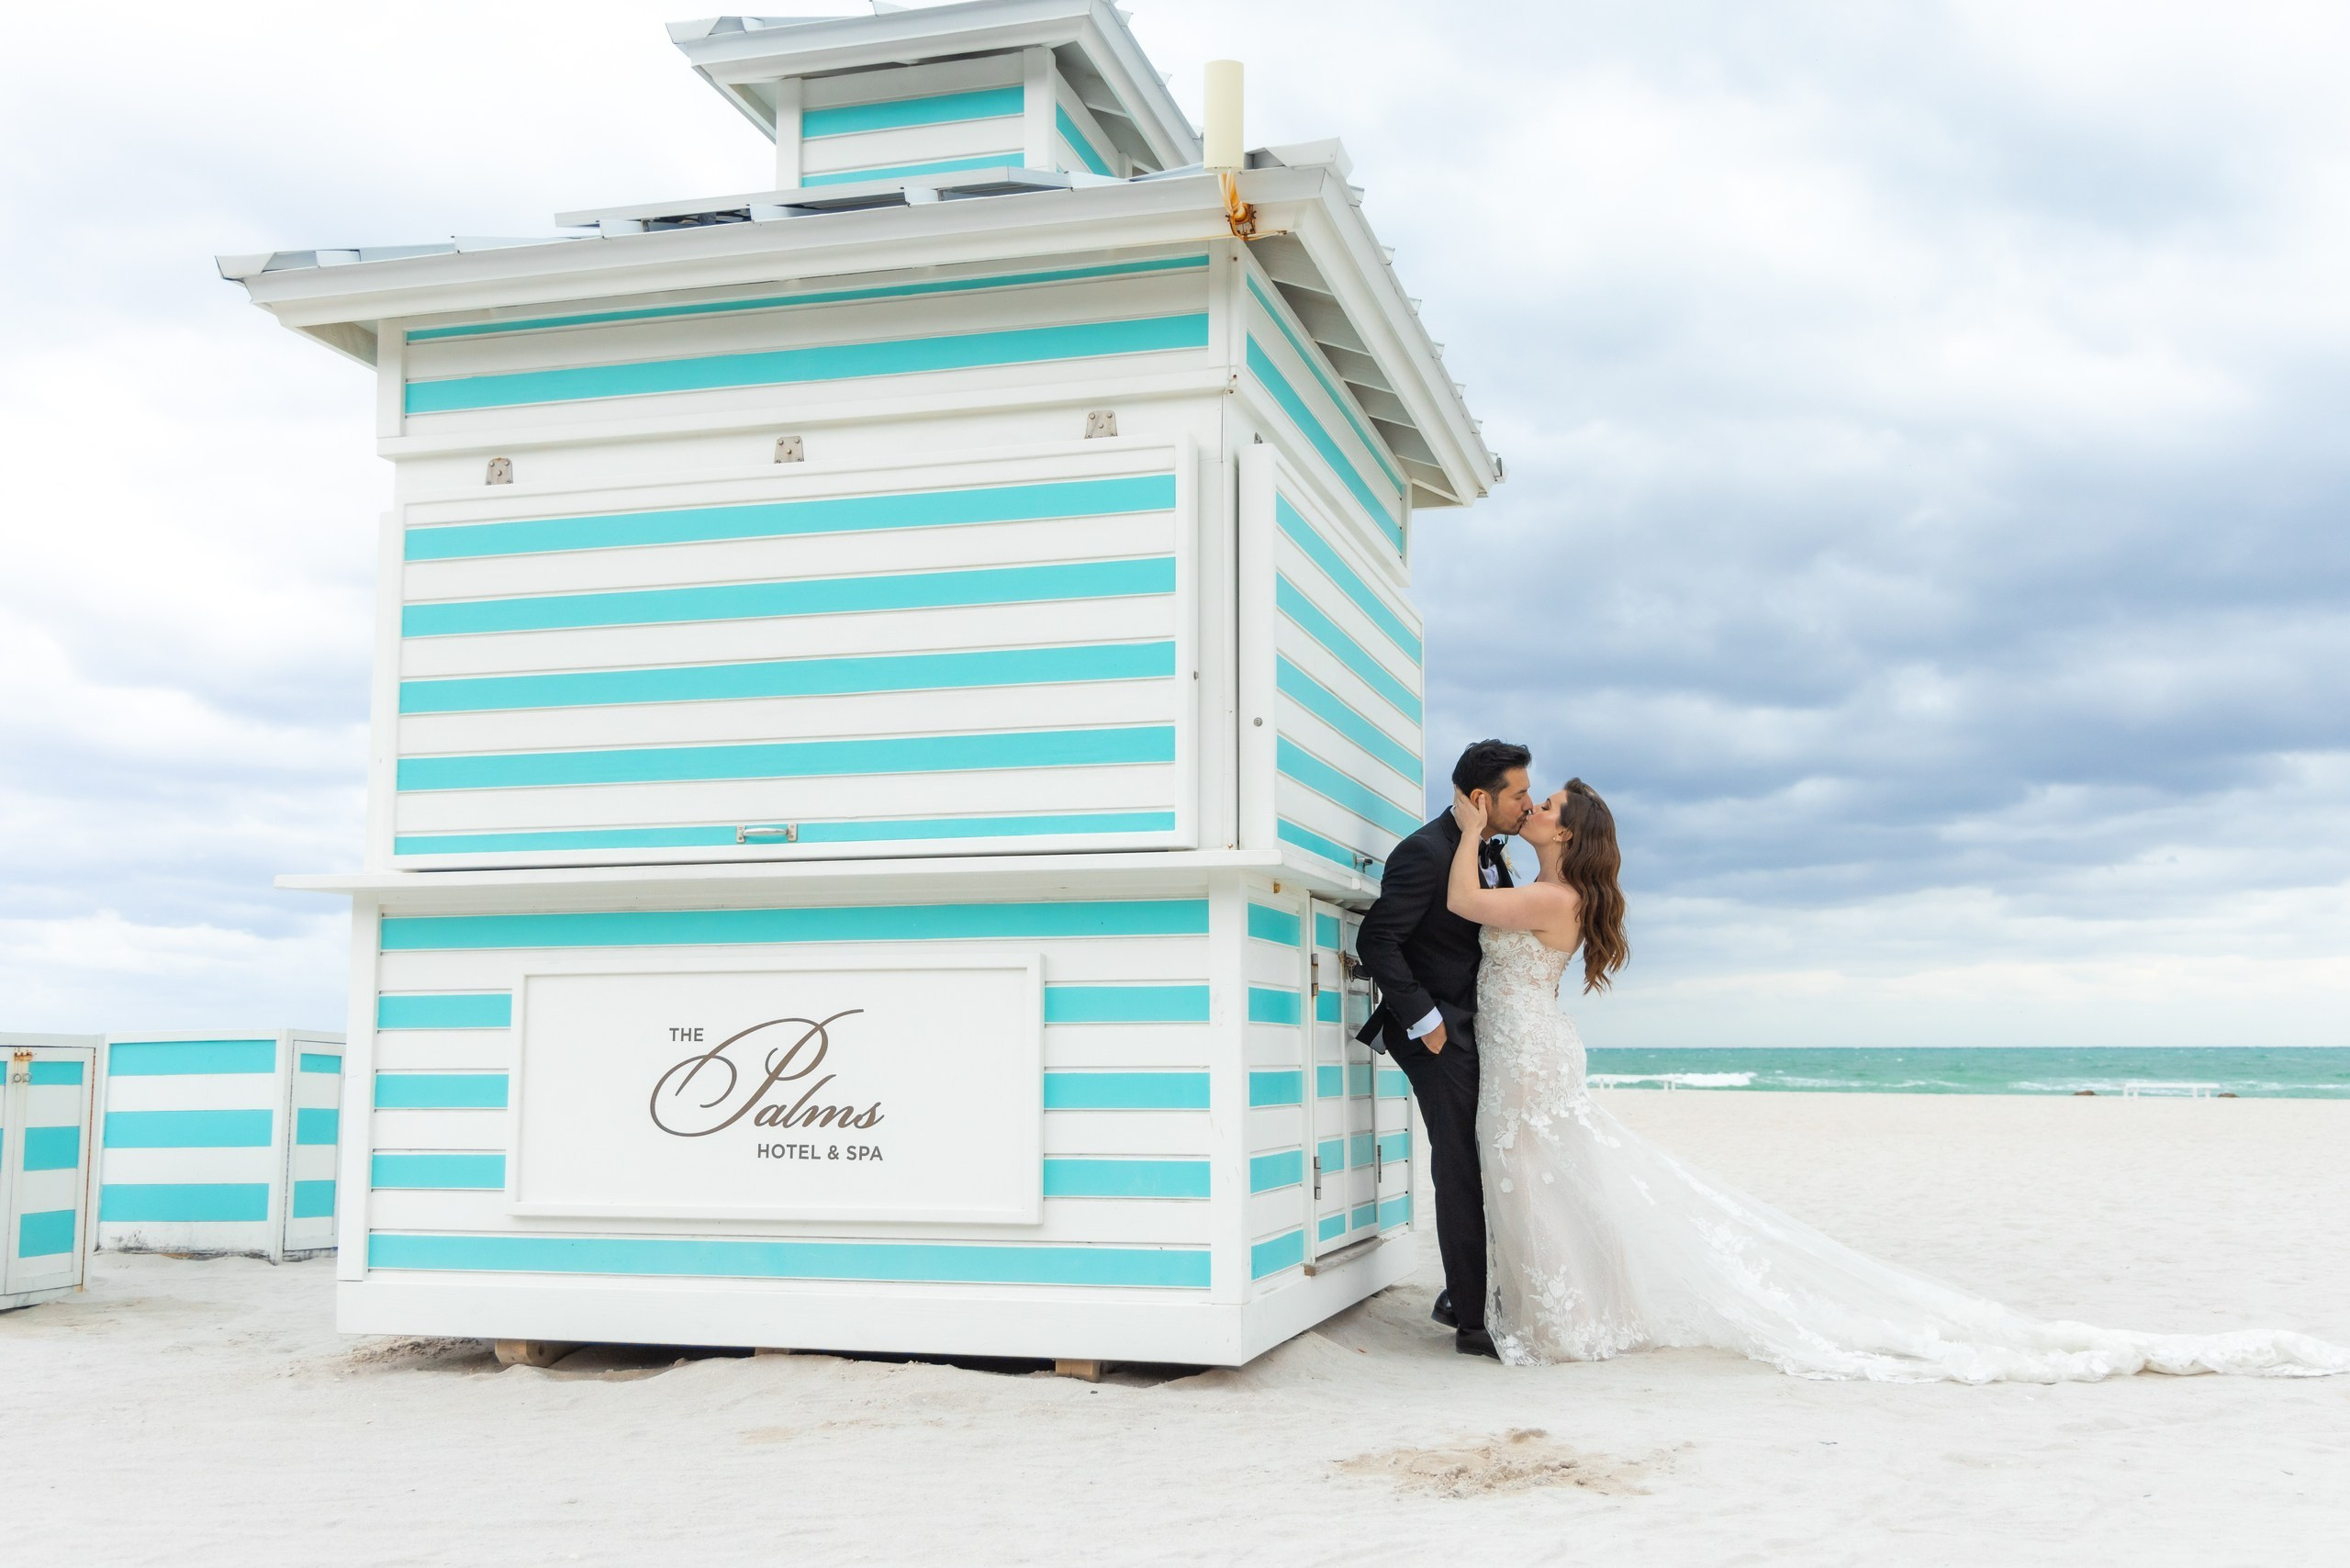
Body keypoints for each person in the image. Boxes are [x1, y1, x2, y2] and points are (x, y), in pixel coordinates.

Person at [1441, 778, 2350, 1380]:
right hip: (1531, 1043)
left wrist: (1472, 825)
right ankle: (1563, 1314)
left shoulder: (1554, 895)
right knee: (1546, 1181)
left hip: (1530, 1050)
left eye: (1547, 801)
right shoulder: (1551, 882)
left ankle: (1563, 1326)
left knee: (1538, 1179)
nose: (1537, 805)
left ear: (1569, 829)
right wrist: (1495, 837)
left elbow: (1461, 905)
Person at [1354, 739, 1536, 1359]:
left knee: (1490, 1162)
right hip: (1439, 1035)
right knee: (1459, 1165)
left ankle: (1466, 1293)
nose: (1528, 804)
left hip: (1484, 1030)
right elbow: (1377, 941)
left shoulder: (1488, 851)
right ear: (1481, 799)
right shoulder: (1423, 853)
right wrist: (1425, 1021)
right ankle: (1472, 1321)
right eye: (1519, 793)